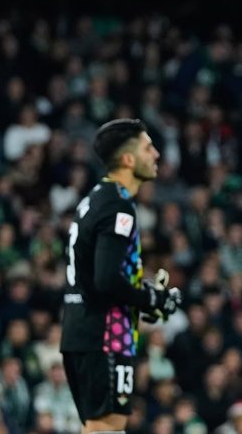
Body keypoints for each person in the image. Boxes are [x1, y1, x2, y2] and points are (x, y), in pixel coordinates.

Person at [60, 118, 182, 434]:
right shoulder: (118, 207)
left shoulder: (96, 199)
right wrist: (153, 297)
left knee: (103, 429)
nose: (156, 154)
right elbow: (107, 280)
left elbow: (103, 276)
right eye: (148, 148)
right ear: (128, 159)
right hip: (104, 334)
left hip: (82, 329)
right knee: (107, 428)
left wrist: (142, 298)